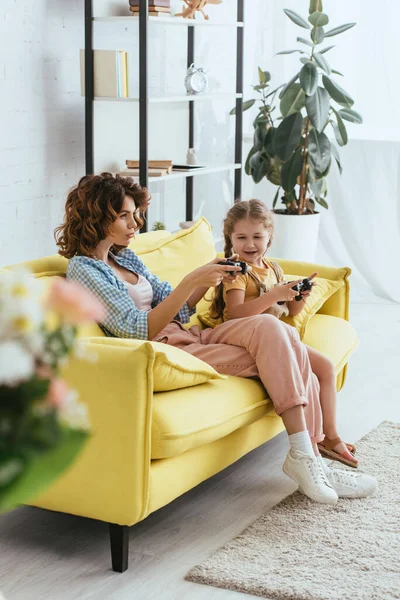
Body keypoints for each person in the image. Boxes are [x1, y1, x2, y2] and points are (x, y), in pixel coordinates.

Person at [55, 173, 376, 505]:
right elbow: (138, 328)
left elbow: (181, 309)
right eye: (123, 215)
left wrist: (209, 277)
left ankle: (310, 458)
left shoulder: (125, 257)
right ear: (95, 214)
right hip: (165, 349)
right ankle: (306, 456)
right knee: (284, 344)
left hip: (191, 335)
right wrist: (191, 279)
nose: (135, 222)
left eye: (135, 214)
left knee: (279, 336)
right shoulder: (84, 269)